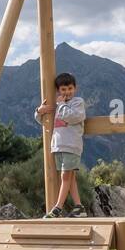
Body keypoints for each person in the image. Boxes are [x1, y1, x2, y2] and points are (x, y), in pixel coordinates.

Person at [36, 72, 88, 218]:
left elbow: (73, 117)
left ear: (75, 88)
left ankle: (58, 208)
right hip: (58, 145)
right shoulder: (59, 105)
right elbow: (44, 121)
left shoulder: (77, 102)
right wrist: (39, 111)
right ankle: (79, 207)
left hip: (72, 145)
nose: (67, 92)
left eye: (70, 88)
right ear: (59, 90)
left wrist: (61, 104)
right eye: (63, 89)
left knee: (65, 176)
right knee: (69, 177)